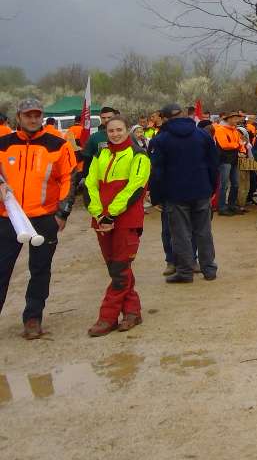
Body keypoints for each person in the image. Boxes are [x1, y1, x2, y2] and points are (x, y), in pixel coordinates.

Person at [0, 99, 76, 339]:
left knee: (40, 270)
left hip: (43, 218)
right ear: (19, 117)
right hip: (8, 217)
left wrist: (62, 212)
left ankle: (33, 318)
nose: (33, 119)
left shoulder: (58, 145)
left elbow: (70, 178)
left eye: (37, 115)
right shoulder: (3, 144)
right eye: (28, 115)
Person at [83, 115, 150, 336]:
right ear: (106, 132)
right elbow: (90, 183)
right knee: (116, 268)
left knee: (120, 270)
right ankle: (132, 312)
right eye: (111, 130)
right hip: (102, 220)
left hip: (126, 220)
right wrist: (97, 212)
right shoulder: (101, 154)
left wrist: (111, 214)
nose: (115, 134)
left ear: (127, 130)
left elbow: (135, 188)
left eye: (119, 130)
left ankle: (107, 317)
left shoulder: (139, 155)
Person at [148, 103, 219, 283]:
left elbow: (157, 172)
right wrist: (212, 187)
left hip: (175, 193)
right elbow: (213, 164)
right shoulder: (202, 135)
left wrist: (156, 197)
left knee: (180, 234)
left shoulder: (160, 140)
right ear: (183, 115)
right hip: (202, 189)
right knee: (204, 231)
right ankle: (209, 269)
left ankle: (185, 272)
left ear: (164, 118)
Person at [213, 111, 245, 216]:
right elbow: (224, 145)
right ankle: (222, 207)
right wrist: (238, 145)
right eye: (235, 118)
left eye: (237, 118)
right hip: (224, 160)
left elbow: (240, 143)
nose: (237, 120)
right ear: (229, 119)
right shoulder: (220, 130)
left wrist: (242, 149)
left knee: (235, 184)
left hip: (233, 159)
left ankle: (231, 205)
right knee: (224, 185)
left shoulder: (235, 130)